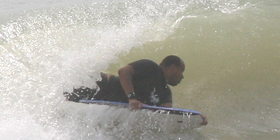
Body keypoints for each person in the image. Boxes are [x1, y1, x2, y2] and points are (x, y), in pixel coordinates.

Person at [73, 55, 206, 123]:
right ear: (172, 67)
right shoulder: (151, 67)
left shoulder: (165, 92)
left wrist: (194, 121)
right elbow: (123, 71)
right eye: (181, 71)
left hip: (104, 100)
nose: (182, 76)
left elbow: (167, 115)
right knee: (62, 98)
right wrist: (132, 98)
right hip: (99, 85)